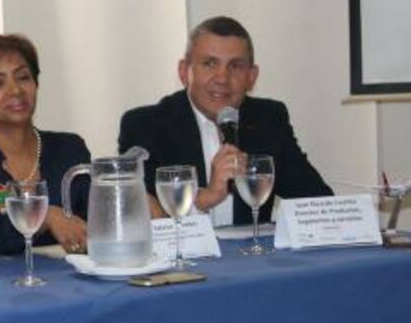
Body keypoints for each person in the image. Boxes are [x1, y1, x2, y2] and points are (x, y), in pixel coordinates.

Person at [118, 15, 332, 225]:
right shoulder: (145, 125)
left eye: (236, 66)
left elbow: (318, 203)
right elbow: (139, 218)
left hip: (250, 257)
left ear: (252, 77)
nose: (222, 78)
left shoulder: (269, 119)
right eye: (209, 64)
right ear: (184, 72)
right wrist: (205, 198)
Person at [0, 34, 91, 255]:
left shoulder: (70, 148)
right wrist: (46, 216)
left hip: (71, 280)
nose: (15, 90)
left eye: (23, 77)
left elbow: (96, 221)